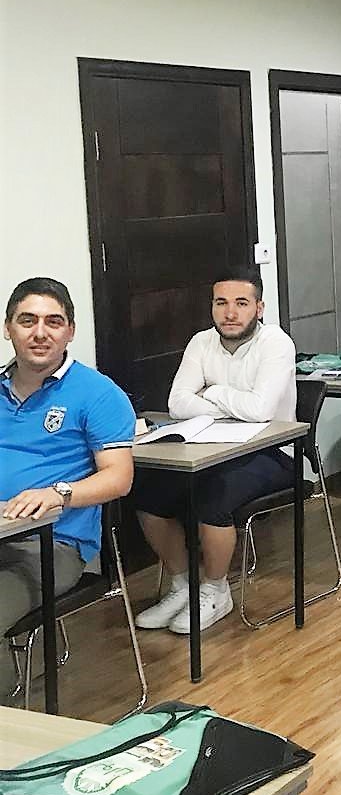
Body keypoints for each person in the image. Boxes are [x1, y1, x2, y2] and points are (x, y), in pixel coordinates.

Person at [133, 268, 297, 634]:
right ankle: (182, 586)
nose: (230, 313)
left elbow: (261, 411)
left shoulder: (275, 342)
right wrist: (232, 405)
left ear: (259, 308)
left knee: (214, 497)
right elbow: (177, 403)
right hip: (210, 449)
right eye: (221, 303)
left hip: (274, 452)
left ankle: (215, 590)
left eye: (241, 303)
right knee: (148, 494)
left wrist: (213, 393)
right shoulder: (201, 342)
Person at [0, 277, 135, 695]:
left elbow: (119, 477)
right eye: (27, 321)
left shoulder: (98, 393)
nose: (40, 332)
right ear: (8, 328)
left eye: (53, 322)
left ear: (70, 331)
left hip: (50, 545)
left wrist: (58, 493)